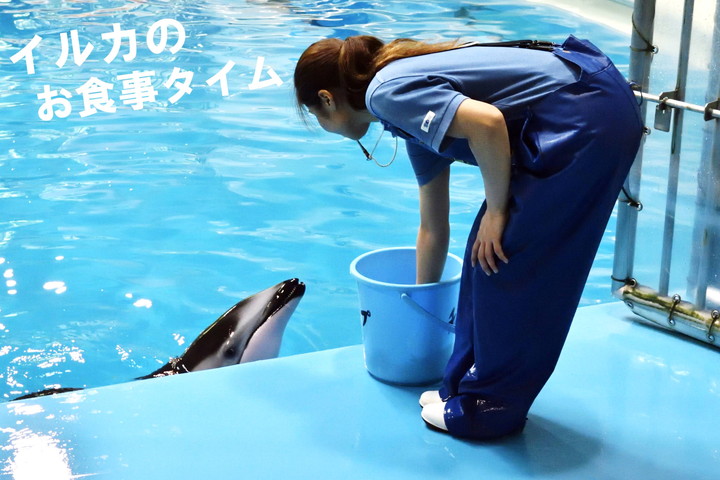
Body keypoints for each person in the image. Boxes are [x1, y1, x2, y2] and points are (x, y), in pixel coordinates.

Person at [294, 34, 643, 440]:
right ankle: (459, 388)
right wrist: (419, 310)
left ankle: (488, 409)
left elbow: (488, 122)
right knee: (484, 253)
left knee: (506, 257)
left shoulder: (384, 94)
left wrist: (497, 212)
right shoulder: (405, 118)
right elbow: (432, 226)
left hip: (587, 114)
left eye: (315, 115)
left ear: (328, 99)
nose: (321, 125)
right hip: (585, 104)